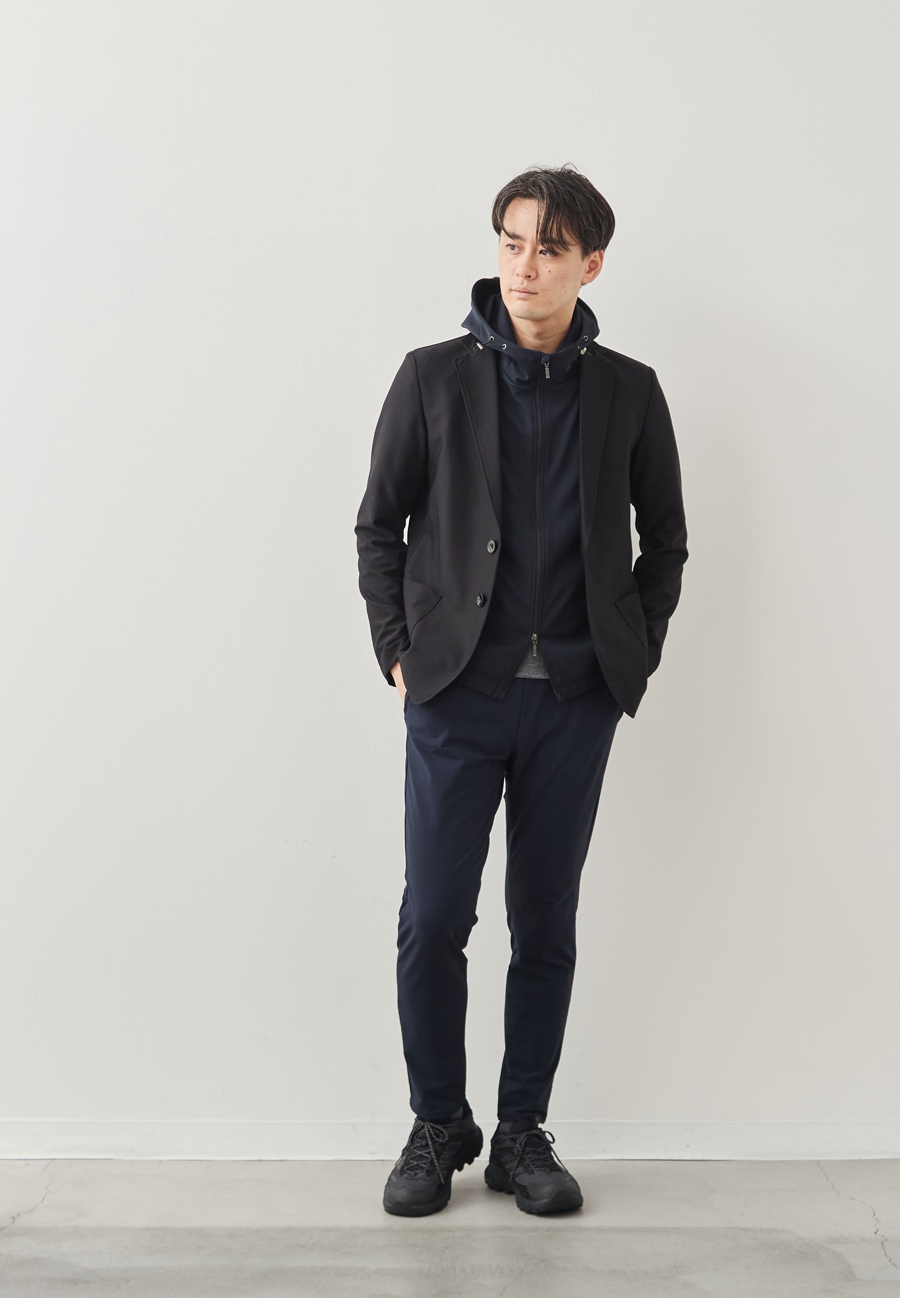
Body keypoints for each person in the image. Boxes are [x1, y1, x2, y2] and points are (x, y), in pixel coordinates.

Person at [356, 166, 687, 1218]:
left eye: (550, 247)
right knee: (433, 918)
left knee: (544, 922)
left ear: (592, 263)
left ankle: (521, 1131)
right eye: (511, 242)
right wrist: (399, 652)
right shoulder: (431, 377)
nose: (525, 266)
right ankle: (436, 1122)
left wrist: (632, 652)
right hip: (456, 693)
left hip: (574, 701)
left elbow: (665, 541)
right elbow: (378, 527)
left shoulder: (630, 391)